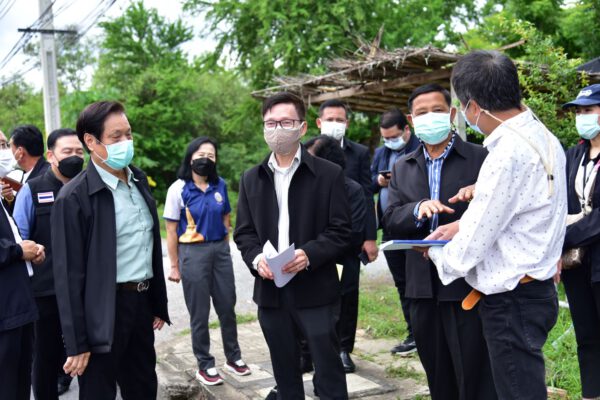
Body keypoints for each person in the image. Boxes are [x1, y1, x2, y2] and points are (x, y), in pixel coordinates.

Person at [426, 50, 567, 399]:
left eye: (463, 108)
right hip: (535, 290)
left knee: (518, 392)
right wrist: (461, 226)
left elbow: (473, 244)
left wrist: (436, 253)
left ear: (474, 107)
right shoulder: (544, 138)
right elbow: (515, 213)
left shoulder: (507, 154)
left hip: (511, 300)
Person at [234, 92, 351, 399]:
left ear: (302, 127)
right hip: (271, 292)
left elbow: (341, 231)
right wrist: (257, 259)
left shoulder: (328, 174)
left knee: (328, 370)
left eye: (286, 122)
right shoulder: (251, 178)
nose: (278, 129)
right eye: (270, 123)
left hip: (316, 289)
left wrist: (308, 254)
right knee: (285, 374)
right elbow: (244, 233)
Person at [382, 84, 496, 400]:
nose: (430, 117)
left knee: (474, 375)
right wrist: (417, 209)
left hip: (467, 283)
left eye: (437, 110)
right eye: (422, 113)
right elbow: (390, 218)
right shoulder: (402, 167)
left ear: (452, 113)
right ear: (411, 119)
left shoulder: (481, 157)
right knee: (437, 375)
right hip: (421, 286)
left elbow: (497, 213)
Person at [51, 101, 170, 399]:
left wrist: (157, 303)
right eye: (116, 137)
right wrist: (77, 342)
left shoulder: (138, 180)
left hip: (140, 305)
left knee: (143, 387)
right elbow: (68, 277)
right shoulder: (73, 197)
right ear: (91, 142)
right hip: (102, 312)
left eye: (128, 134)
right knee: (98, 391)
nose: (126, 142)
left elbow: (147, 245)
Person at [164, 136, 250, 386]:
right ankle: (205, 364)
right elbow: (171, 231)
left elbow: (226, 218)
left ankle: (233, 357)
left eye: (211, 155)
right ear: (190, 157)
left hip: (220, 251)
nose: (206, 159)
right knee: (199, 313)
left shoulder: (219, 184)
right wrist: (174, 266)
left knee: (227, 307)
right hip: (193, 253)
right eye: (201, 155)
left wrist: (224, 246)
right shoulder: (178, 189)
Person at [12, 128, 84, 399]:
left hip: (85, 290)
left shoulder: (89, 187)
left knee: (89, 356)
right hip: (46, 292)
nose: (75, 156)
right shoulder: (32, 190)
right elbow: (20, 239)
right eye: (68, 151)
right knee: (45, 358)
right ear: (51, 155)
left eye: (79, 152)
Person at [304, 135, 367, 374]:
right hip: (309, 259)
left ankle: (343, 350)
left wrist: (320, 247)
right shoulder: (304, 188)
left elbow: (355, 232)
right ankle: (306, 352)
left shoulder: (352, 189)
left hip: (342, 259)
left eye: (310, 158)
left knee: (345, 303)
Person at [561, 83, 600, 400]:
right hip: (576, 262)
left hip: (595, 254)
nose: (582, 117)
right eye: (578, 112)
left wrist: (563, 236)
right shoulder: (574, 154)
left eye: (588, 110)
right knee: (587, 335)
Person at [370, 108, 420, 356]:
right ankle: (413, 334)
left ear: (406, 130)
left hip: (416, 226)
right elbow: (368, 181)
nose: (390, 141)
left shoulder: (420, 148)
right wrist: (379, 181)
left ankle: (426, 331)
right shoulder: (382, 153)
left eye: (394, 136)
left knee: (420, 281)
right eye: (385, 138)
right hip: (390, 227)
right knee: (402, 283)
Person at [0, 137, 45, 400]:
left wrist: (30, 251)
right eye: (1, 145)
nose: (8, 152)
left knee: (19, 383)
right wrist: (18, 251)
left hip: (19, 305)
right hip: (5, 310)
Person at [316, 99, 378, 265]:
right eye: (330, 120)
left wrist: (370, 237)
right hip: (314, 237)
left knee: (347, 279)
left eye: (339, 120)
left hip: (351, 235)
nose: (334, 124)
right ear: (319, 123)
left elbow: (367, 196)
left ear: (347, 123)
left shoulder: (359, 153)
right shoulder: (308, 150)